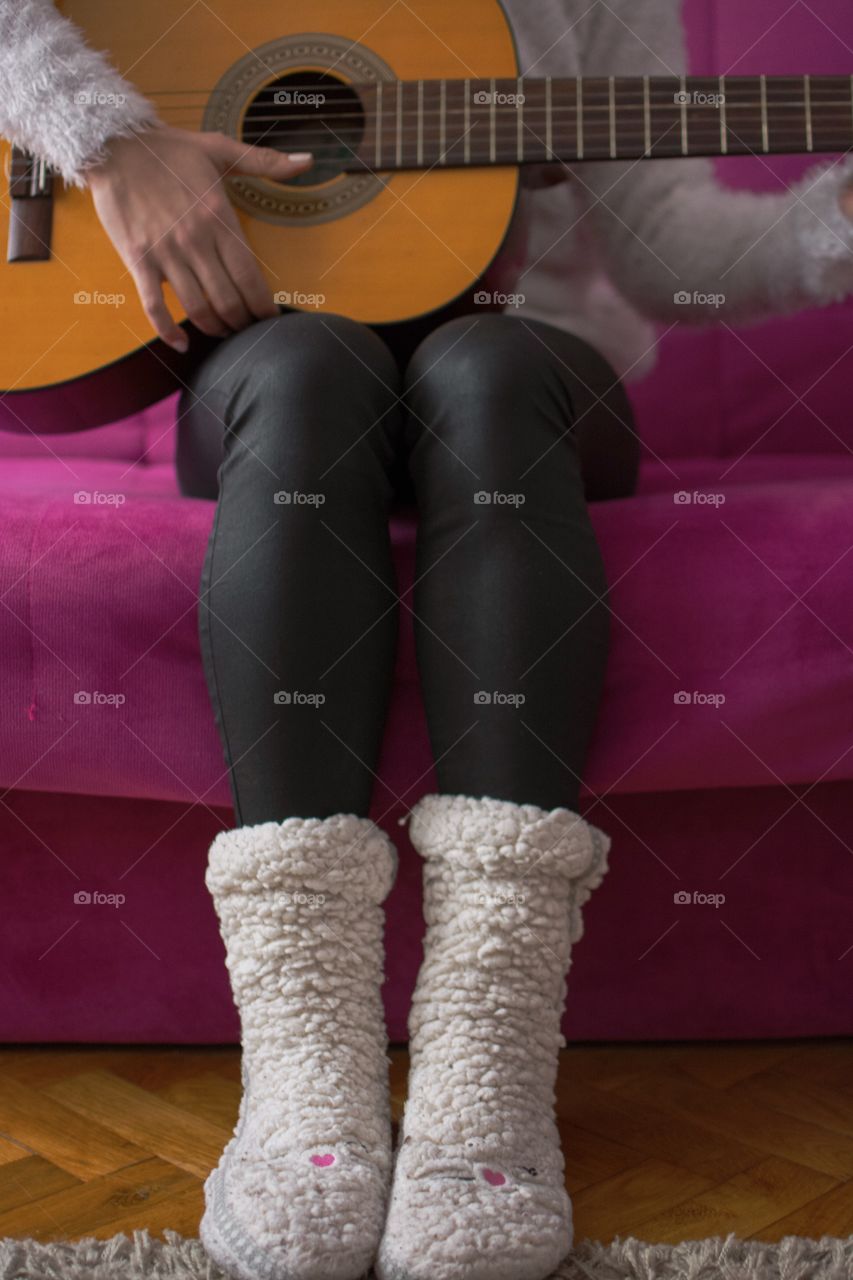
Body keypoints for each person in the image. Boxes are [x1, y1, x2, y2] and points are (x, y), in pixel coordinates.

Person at [2, 3, 853, 1279]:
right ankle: (304, 1071)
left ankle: (484, 1065)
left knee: (482, 366)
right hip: (265, 369)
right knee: (310, 363)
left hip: (529, 383)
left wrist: (837, 216)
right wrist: (113, 145)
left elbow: (670, 242)